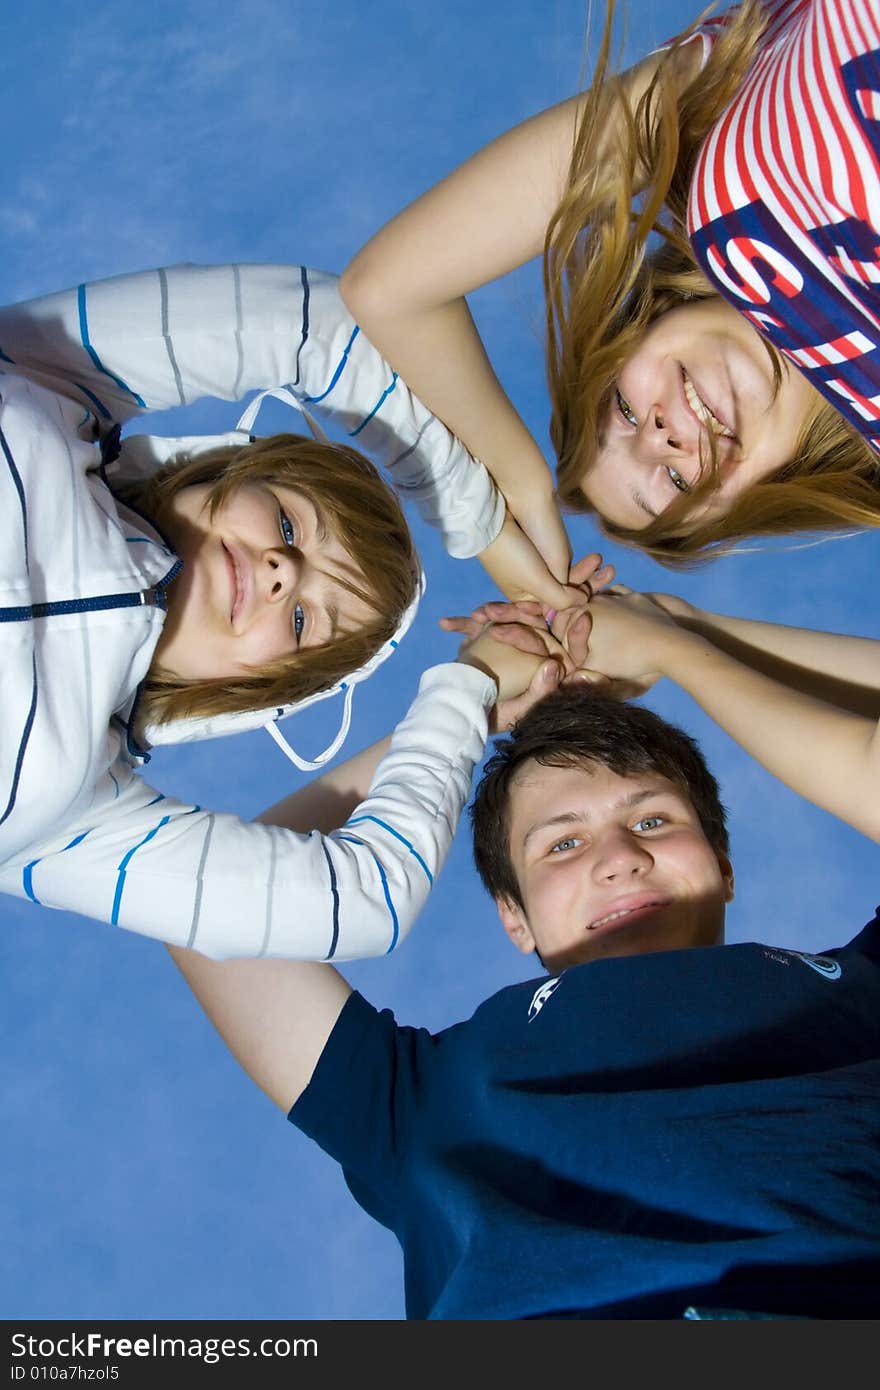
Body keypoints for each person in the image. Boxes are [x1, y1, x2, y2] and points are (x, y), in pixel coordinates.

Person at [170, 597, 880, 1320]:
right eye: (562, 844)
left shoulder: (863, 988)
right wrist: (460, 712)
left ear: (722, 863)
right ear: (516, 917)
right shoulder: (424, 1098)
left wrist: (686, 642)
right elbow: (207, 907)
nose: (620, 859)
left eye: (653, 819)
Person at [0, 259, 594, 960]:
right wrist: (487, 526)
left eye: (308, 620)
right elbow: (314, 326)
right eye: (288, 526)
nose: (285, 571)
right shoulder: (52, 384)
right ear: (227, 467)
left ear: (266, 688)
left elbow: (367, 902)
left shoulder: (75, 814)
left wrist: (470, 692)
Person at [339, 0, 880, 578]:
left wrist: (518, 484)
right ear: (757, 503)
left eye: (622, 409)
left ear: (637, 330)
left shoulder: (703, 130)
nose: (657, 438)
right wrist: (669, 640)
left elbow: (388, 289)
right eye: (674, 481)